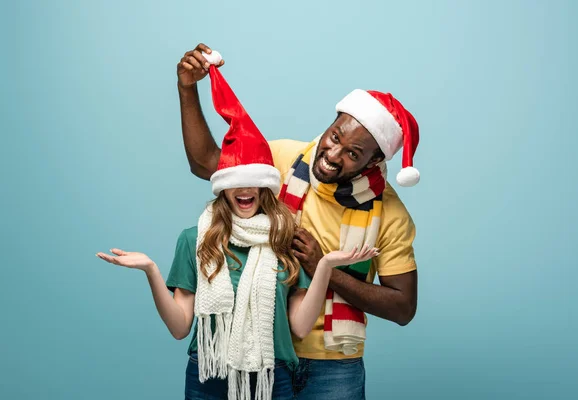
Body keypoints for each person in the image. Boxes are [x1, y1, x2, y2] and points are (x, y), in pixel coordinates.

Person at [97, 57, 378, 400]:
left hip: (274, 379)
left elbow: (300, 326)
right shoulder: (195, 239)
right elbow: (179, 326)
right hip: (209, 375)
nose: (245, 191)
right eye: (237, 182)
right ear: (223, 187)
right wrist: (151, 270)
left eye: (253, 183)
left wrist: (325, 266)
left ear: (265, 187)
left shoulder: (285, 238)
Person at [176, 43, 421, 400]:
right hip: (262, 353)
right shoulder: (283, 159)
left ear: (373, 162)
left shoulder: (390, 214)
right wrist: (187, 88)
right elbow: (206, 164)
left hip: (334, 367)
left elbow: (403, 307)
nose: (332, 155)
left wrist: (324, 268)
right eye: (335, 136)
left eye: (353, 153)